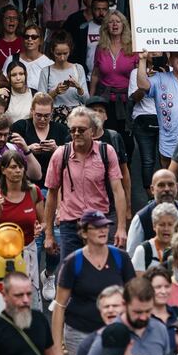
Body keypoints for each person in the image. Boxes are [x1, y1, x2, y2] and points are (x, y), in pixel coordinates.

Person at [52, 210, 136, 355]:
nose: (103, 230)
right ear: (84, 233)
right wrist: (57, 347)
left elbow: (133, 298)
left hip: (115, 332)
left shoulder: (121, 258)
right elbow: (59, 305)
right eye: (96, 227)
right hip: (80, 333)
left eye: (105, 226)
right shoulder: (73, 262)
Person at [43, 106, 127, 258]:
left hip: (99, 222)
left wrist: (121, 227)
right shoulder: (61, 154)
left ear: (92, 132)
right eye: (73, 130)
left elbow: (118, 190)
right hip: (69, 224)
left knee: (101, 271)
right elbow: (52, 193)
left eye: (81, 130)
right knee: (69, 275)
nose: (76, 134)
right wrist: (49, 234)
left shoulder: (106, 152)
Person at [0, 150, 45, 307]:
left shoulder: (33, 191)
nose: (18, 171)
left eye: (21, 167)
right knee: (2, 302)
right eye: (13, 167)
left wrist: (40, 228)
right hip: (1, 255)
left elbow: (44, 222)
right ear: (3, 170)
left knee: (29, 301)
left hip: (28, 253)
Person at [79, 277, 171, 355]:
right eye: (138, 312)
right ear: (124, 304)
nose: (144, 317)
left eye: (148, 311)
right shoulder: (109, 335)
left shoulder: (160, 329)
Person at [89, 10, 138, 151]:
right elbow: (96, 74)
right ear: (106, 26)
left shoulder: (133, 47)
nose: (115, 24)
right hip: (106, 100)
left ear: (124, 25)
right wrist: (91, 98)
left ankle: (125, 170)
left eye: (118, 21)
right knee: (107, 138)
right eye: (111, 22)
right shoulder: (101, 48)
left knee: (127, 142)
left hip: (127, 101)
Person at [126, 169, 178, 255]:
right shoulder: (142, 218)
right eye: (161, 185)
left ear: (177, 187)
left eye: (170, 184)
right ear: (152, 189)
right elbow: (131, 256)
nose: (167, 189)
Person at [11, 92, 69, 189]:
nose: (42, 119)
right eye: (38, 115)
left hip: (53, 185)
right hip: (25, 184)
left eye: (47, 116)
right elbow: (8, 154)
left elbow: (71, 156)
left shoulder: (61, 129)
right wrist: (28, 150)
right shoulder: (20, 126)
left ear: (52, 112)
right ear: (32, 111)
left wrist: (57, 149)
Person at [73, 285, 126, 355]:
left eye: (115, 306)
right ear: (100, 312)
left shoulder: (139, 335)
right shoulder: (87, 345)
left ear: (126, 307)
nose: (110, 310)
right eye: (106, 307)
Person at [63, 0, 107, 74]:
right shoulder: (82, 28)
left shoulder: (112, 27)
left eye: (104, 9)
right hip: (84, 75)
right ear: (93, 9)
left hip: (107, 78)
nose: (101, 12)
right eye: (98, 9)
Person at [2, 24, 53, 92]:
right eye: (26, 37)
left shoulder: (48, 63)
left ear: (40, 41)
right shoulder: (12, 59)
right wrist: (15, 86)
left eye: (34, 37)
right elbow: (0, 81)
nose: (30, 39)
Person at [132, 203, 178, 273]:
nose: (166, 229)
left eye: (170, 225)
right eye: (162, 225)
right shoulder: (143, 250)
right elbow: (139, 282)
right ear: (154, 226)